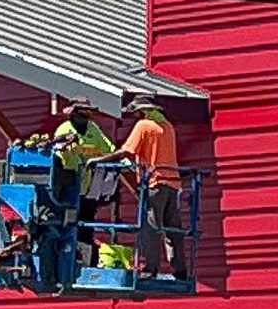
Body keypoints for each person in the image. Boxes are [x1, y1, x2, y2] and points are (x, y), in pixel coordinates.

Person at [88, 95, 186, 280]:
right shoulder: (167, 126)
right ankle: (180, 270)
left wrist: (99, 160)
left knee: (150, 227)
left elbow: (127, 151)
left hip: (155, 183)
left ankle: (150, 269)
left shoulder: (144, 126)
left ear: (142, 111)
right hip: (173, 184)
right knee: (173, 230)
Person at [54, 97, 115, 264]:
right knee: (68, 225)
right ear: (73, 114)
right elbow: (59, 157)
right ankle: (67, 259)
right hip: (67, 188)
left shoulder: (93, 129)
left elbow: (109, 150)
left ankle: (86, 260)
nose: (86, 116)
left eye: (88, 112)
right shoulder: (63, 130)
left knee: (86, 226)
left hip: (88, 188)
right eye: (82, 112)